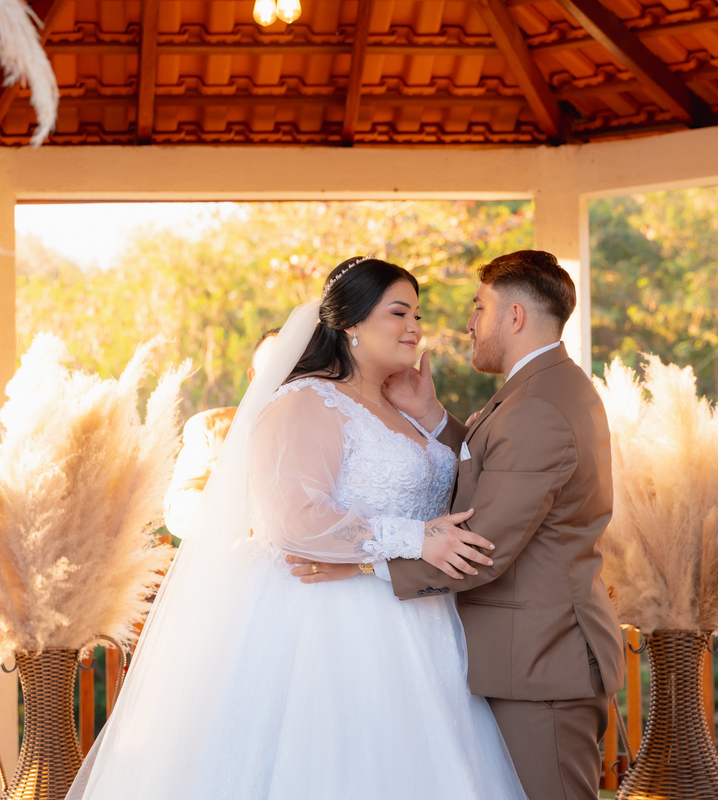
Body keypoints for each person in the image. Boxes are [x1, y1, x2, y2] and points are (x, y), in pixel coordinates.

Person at [66, 257, 527, 800]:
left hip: (425, 622)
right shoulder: (305, 400)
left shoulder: (402, 407)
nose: (414, 328)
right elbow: (294, 519)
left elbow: (469, 478)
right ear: (351, 323)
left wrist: (430, 413)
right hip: (329, 623)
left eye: (417, 315)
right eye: (399, 313)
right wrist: (417, 538)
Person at [293, 250, 625, 800]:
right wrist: (431, 416)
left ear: (514, 316)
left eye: (479, 307)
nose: (469, 323)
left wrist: (362, 564)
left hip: (539, 663)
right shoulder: (545, 388)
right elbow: (497, 469)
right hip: (525, 656)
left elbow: (480, 548)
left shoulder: (537, 405)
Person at [163, 329, 279, 538]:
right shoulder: (209, 428)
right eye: (272, 368)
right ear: (253, 377)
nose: (281, 378)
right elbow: (177, 506)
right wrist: (245, 514)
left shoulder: (329, 430)